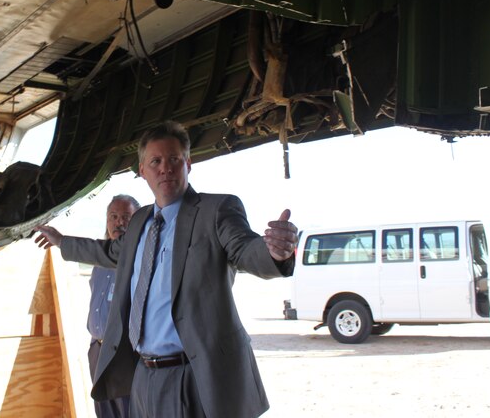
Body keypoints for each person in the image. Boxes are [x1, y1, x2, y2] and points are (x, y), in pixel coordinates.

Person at [35, 120, 298, 418]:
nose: (166, 168)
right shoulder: (138, 222)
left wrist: (275, 253)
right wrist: (62, 241)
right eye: (156, 161)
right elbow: (109, 252)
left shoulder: (216, 211)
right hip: (143, 374)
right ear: (142, 171)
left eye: (174, 159)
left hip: (195, 375)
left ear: (188, 163)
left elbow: (246, 249)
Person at [87, 195, 139, 418]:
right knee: (105, 412)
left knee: (128, 412)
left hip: (123, 353)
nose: (119, 222)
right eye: (114, 217)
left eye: (126, 217)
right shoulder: (98, 262)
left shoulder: (139, 260)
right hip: (97, 351)